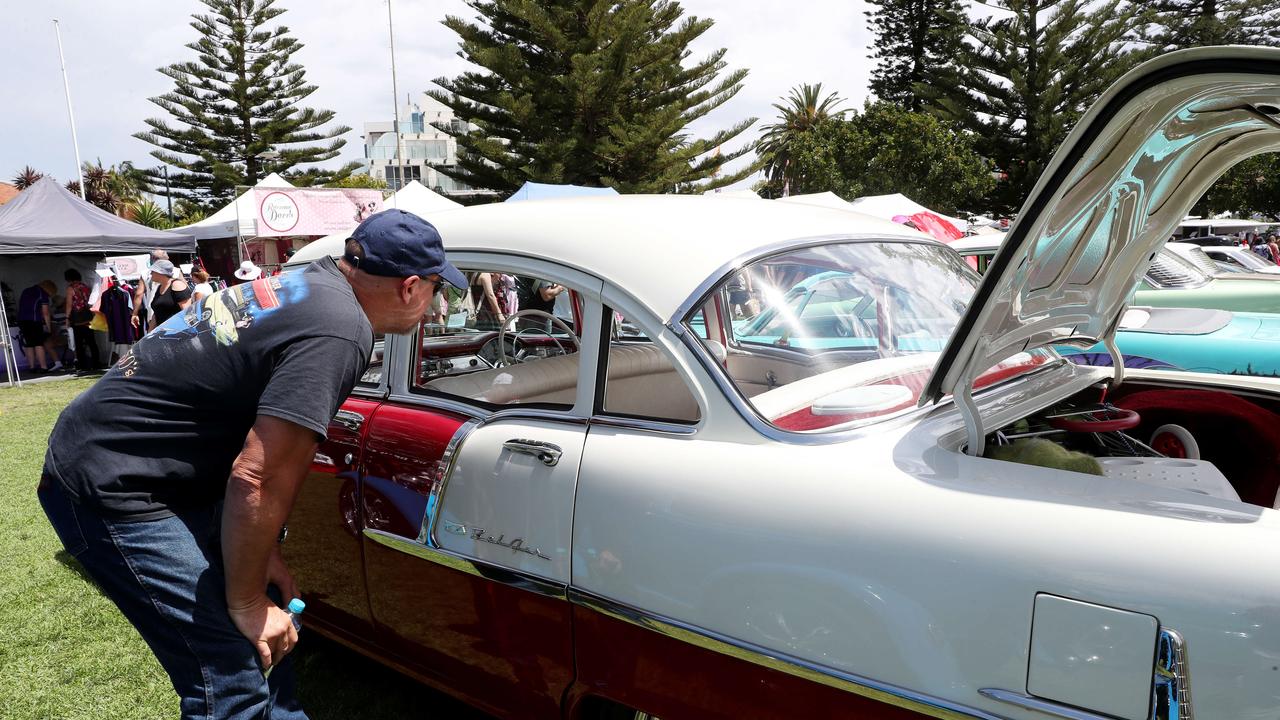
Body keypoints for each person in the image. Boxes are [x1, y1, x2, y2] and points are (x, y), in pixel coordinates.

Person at [38, 209, 466, 720]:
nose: (435, 304)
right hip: (113, 483)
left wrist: (261, 560)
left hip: (163, 472)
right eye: (438, 290)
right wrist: (242, 601)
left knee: (273, 627)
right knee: (230, 671)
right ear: (411, 286)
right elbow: (259, 475)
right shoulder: (340, 331)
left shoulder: (310, 281)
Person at [63, 269, 101, 372]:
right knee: (91, 342)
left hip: (78, 318)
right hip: (88, 316)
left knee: (79, 342)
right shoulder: (85, 287)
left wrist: (67, 318)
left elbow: (69, 305)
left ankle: (82, 365)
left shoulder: (70, 289)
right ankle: (96, 363)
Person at [17, 280, 56, 372]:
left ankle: (32, 367)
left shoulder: (26, 290)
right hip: (34, 320)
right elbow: (46, 313)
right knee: (38, 343)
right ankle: (43, 367)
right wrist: (48, 327)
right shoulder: (42, 293)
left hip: (22, 320)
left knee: (29, 344)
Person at [145, 259, 193, 329]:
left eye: (153, 271)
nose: (151, 274)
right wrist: (150, 333)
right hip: (163, 333)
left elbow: (188, 313)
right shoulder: (160, 287)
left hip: (178, 333)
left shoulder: (177, 285)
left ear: (160, 272)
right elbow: (157, 312)